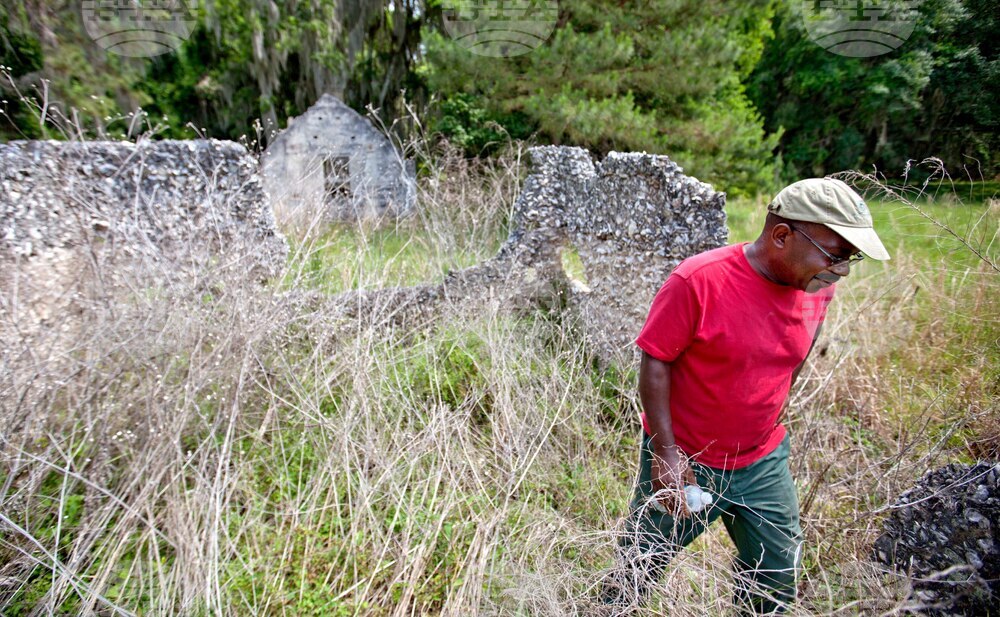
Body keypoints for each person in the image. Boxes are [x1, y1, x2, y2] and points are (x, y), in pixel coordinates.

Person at [601, 178, 890, 614]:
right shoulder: (698, 280)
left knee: (774, 579)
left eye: (852, 259)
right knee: (638, 569)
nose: (841, 271)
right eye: (835, 255)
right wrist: (665, 452)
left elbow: (794, 355)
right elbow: (655, 360)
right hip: (687, 460)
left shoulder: (817, 286)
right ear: (781, 236)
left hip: (761, 462)